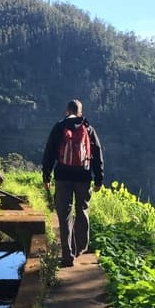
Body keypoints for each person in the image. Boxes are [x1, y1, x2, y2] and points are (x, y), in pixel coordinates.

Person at [42, 99, 105, 267]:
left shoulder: (59, 127)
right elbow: (97, 155)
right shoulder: (88, 128)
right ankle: (81, 249)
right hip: (83, 177)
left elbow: (49, 153)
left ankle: (67, 255)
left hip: (62, 177)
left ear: (66, 111)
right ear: (80, 112)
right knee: (82, 210)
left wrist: (46, 177)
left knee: (64, 215)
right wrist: (99, 179)